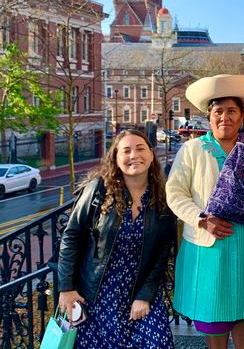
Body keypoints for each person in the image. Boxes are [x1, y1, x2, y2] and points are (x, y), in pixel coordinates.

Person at [166, 74, 244, 349]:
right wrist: (202, 219)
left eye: (232, 111)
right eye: (218, 111)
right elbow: (174, 194)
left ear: (242, 115)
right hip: (211, 247)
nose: (225, 117)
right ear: (209, 116)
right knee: (215, 314)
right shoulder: (192, 150)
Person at [58, 129, 177, 349]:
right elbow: (71, 237)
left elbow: (162, 253)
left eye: (140, 149)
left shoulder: (165, 198)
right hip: (96, 294)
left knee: (158, 342)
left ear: (151, 155)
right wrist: (66, 288)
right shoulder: (98, 190)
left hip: (139, 292)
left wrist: (145, 295)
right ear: (116, 159)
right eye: (126, 151)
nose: (134, 155)